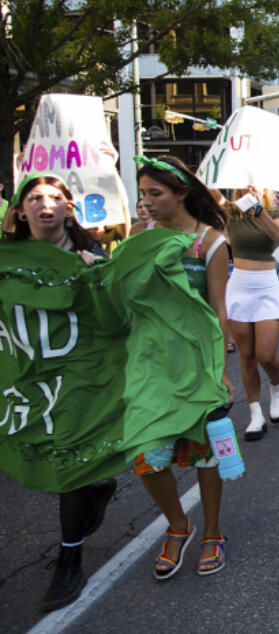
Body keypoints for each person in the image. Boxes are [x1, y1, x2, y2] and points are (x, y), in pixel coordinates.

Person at [2, 174, 118, 610]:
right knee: (47, 453)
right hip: (29, 378)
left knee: (68, 461)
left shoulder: (92, 255)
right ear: (19, 210)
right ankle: (97, 485)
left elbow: (115, 317)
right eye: (35, 198)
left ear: (70, 207)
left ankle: (70, 558)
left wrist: (99, 279)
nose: (45, 205)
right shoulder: (5, 260)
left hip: (83, 375)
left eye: (55, 198)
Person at [133, 155, 236, 579]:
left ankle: (212, 531)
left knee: (205, 454)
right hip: (149, 367)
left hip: (196, 367)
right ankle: (179, 524)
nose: (147, 202)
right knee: (145, 456)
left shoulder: (210, 242)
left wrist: (219, 370)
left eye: (155, 193)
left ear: (180, 194)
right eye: (143, 194)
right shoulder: (138, 235)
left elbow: (217, 308)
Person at [224, 186, 279, 442]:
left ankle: (276, 384)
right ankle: (255, 415)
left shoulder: (275, 211)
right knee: (247, 356)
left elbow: (276, 235)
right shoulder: (228, 213)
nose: (247, 185)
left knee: (266, 354)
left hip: (266, 286)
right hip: (239, 285)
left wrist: (257, 209)